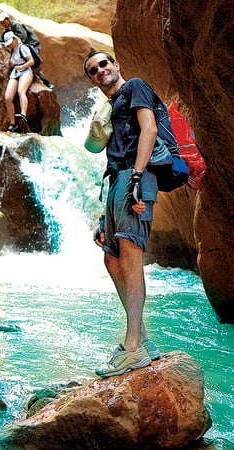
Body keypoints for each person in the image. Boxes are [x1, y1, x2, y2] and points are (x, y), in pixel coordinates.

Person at [84, 50, 161, 378]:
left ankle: (132, 348)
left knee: (130, 255)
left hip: (134, 177)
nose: (100, 70)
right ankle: (142, 338)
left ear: (116, 65)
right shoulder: (111, 106)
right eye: (93, 70)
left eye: (104, 64)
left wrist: (137, 177)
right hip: (117, 180)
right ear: (91, 79)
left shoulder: (136, 87)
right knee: (111, 258)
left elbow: (150, 129)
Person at [0, 12, 53, 89]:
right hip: (23, 48)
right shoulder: (7, 31)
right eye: (1, 23)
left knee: (33, 65)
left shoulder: (16, 25)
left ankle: (46, 82)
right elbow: (0, 39)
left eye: (4, 22)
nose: (3, 24)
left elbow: (23, 37)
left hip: (32, 45)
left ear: (8, 19)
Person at [3, 31, 34, 133]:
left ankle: (23, 114)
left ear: (15, 39)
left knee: (21, 91)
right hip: (15, 73)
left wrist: (21, 67)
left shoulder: (23, 48)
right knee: (8, 97)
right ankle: (12, 122)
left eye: (11, 42)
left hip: (25, 70)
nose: (10, 45)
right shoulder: (12, 51)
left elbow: (31, 61)